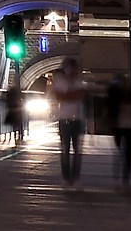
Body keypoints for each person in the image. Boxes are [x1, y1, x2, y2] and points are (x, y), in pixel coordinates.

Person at [50, 58, 89, 186]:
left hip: (78, 120)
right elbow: (59, 97)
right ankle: (67, 178)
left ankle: (75, 177)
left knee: (77, 151)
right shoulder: (60, 81)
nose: (73, 71)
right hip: (64, 119)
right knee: (65, 150)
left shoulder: (80, 81)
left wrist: (67, 96)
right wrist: (72, 95)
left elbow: (81, 95)